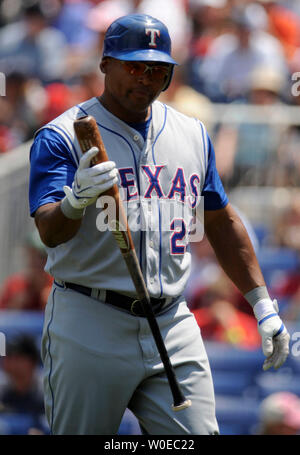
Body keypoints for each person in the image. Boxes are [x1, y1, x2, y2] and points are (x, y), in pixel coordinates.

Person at [29, 13, 290, 435]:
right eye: (134, 66)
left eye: (158, 69)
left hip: (172, 319)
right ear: (105, 64)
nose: (146, 78)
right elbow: (48, 230)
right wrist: (75, 201)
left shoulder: (192, 133)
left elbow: (221, 222)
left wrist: (262, 305)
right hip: (90, 318)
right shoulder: (62, 136)